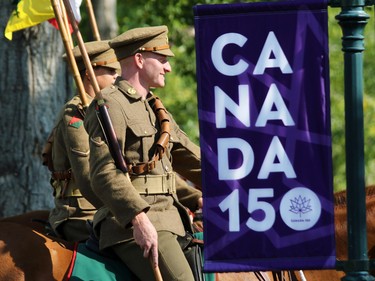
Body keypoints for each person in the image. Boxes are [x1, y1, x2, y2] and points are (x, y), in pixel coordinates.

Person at [84, 25, 202, 280]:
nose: (168, 67)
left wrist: (240, 181)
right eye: (161, 59)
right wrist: (137, 219)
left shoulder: (155, 108)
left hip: (171, 217)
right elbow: (104, 173)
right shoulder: (110, 104)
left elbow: (192, 159)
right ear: (139, 58)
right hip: (132, 223)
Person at [44, 40, 120, 242]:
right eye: (111, 70)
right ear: (89, 73)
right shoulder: (75, 115)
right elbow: (86, 176)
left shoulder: (105, 110)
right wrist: (125, 209)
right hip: (79, 213)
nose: (116, 75)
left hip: (105, 208)